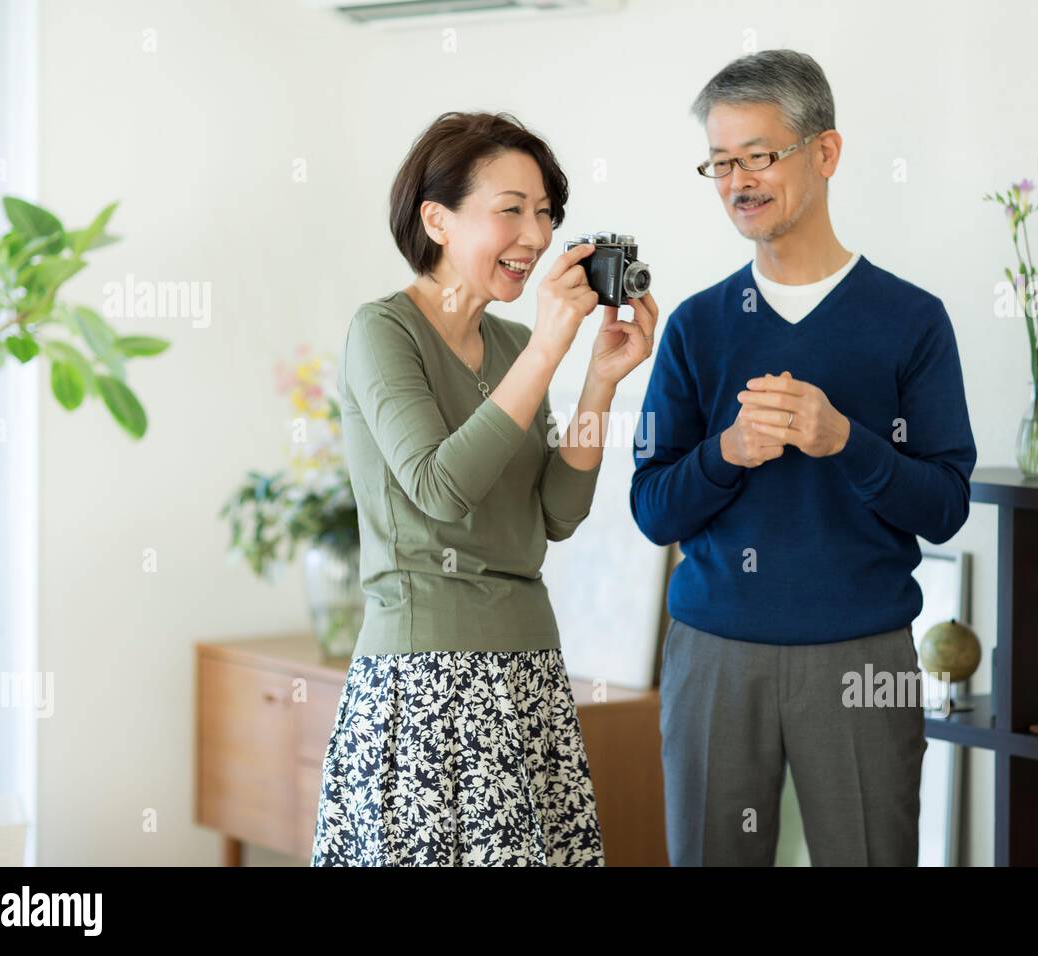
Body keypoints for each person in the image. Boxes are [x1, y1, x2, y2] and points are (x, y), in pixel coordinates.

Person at [630, 49, 976, 866]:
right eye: (720, 163)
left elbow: (945, 504)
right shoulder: (695, 325)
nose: (738, 181)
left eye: (760, 155)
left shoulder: (911, 320)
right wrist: (727, 453)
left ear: (825, 153)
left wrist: (844, 441)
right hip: (713, 654)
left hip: (864, 656)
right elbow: (653, 511)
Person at [311, 110, 659, 866]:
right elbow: (439, 486)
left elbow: (559, 514)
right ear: (436, 219)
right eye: (510, 211)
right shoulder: (383, 332)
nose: (534, 237)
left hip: (529, 672)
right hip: (424, 678)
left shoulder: (509, 345)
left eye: (545, 214)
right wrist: (548, 351)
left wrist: (598, 381)